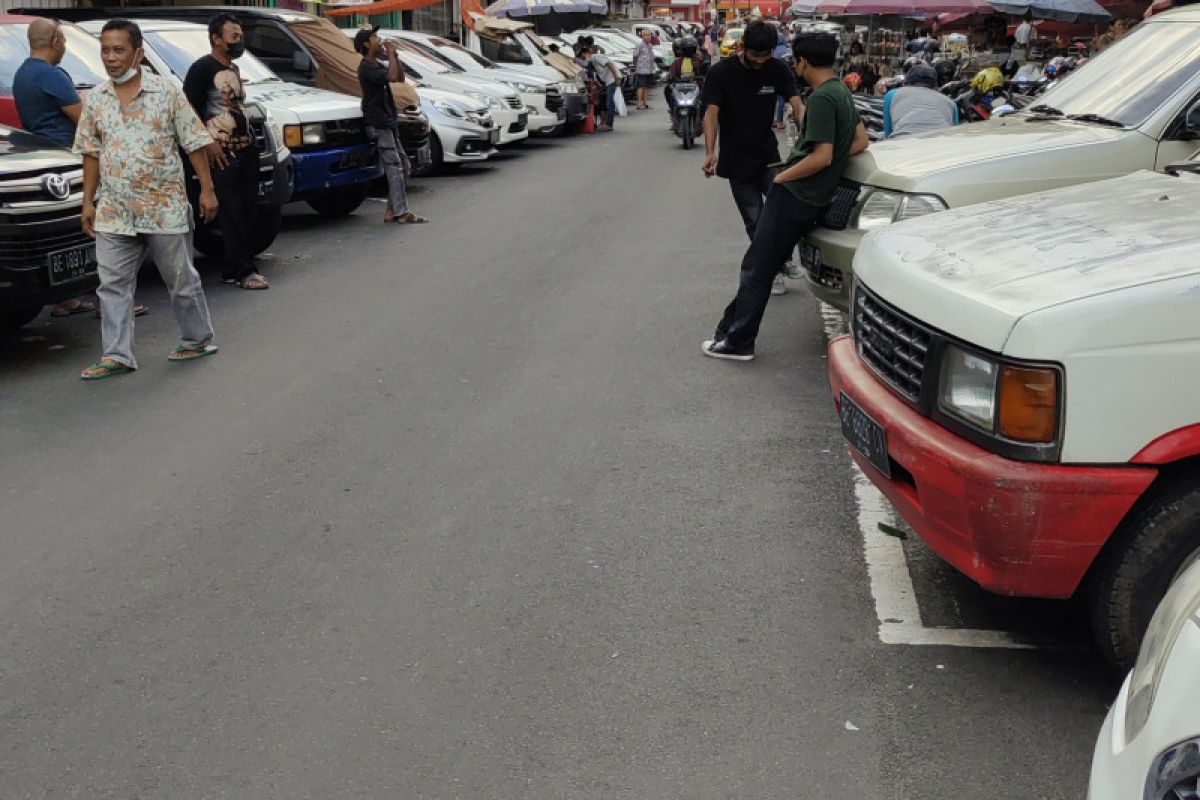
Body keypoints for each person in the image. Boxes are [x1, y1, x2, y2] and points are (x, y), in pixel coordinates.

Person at [702, 31, 868, 362]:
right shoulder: (841, 92)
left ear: (802, 62)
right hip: (801, 190)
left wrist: (783, 177)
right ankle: (728, 332)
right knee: (759, 261)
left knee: (757, 267)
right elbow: (860, 140)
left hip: (795, 193)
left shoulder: (821, 97)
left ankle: (739, 341)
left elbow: (820, 155)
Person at [73, 19, 220, 381]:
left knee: (181, 279)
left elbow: (194, 142)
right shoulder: (96, 99)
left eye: (118, 50)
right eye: (105, 50)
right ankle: (117, 354)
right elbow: (90, 152)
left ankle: (197, 338)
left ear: (138, 53)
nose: (110, 57)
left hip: (163, 207)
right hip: (114, 209)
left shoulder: (166, 91)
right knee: (112, 285)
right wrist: (87, 201)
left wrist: (207, 188)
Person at [13, 19, 149, 320]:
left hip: (47, 162)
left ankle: (67, 300)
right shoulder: (51, 75)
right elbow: (85, 120)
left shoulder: (22, 74)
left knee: (71, 235)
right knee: (110, 232)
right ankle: (113, 302)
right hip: (74, 160)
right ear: (56, 41)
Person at [700, 20, 805, 296]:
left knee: (781, 213)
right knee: (755, 220)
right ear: (743, 47)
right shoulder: (721, 73)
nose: (761, 60)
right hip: (736, 161)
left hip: (768, 156)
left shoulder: (776, 69)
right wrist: (710, 152)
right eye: (756, 54)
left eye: (766, 54)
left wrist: (805, 126)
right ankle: (772, 271)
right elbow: (711, 113)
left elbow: (795, 100)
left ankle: (781, 261)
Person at [184, 13, 268, 291]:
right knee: (231, 211)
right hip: (221, 152)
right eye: (234, 36)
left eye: (240, 36)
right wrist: (207, 142)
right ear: (216, 40)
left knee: (246, 210)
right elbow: (189, 111)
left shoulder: (233, 69)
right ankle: (245, 271)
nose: (239, 40)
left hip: (245, 148)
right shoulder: (201, 69)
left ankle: (232, 267)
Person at [354, 27, 427, 225]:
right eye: (375, 37)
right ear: (367, 45)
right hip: (378, 124)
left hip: (387, 121)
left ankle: (391, 210)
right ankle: (402, 213)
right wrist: (392, 53)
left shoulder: (375, 64)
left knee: (403, 165)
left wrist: (394, 55)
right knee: (395, 167)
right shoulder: (366, 68)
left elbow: (400, 78)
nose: (379, 40)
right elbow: (391, 77)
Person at [881, 62, 958, 138]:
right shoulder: (950, 103)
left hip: (903, 143)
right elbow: (954, 131)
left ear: (907, 82)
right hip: (942, 145)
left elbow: (888, 133)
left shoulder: (891, 95)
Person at [584, 42, 621, 132]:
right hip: (607, 81)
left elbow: (610, 64)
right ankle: (605, 123)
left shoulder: (596, 57)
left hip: (611, 79)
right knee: (605, 102)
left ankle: (609, 124)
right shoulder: (592, 61)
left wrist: (616, 77)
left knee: (609, 103)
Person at [632, 30, 657, 110]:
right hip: (641, 69)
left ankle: (645, 103)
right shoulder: (639, 45)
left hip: (649, 69)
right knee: (640, 86)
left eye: (649, 35)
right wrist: (636, 66)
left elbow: (651, 57)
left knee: (646, 86)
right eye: (646, 35)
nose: (648, 37)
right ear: (642, 37)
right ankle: (639, 103)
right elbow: (635, 56)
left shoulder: (650, 46)